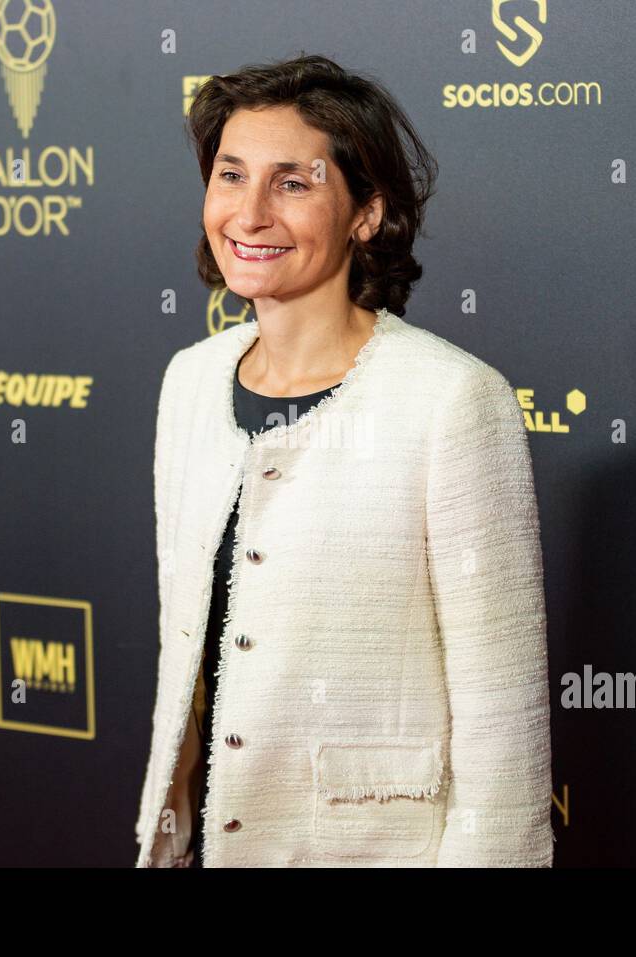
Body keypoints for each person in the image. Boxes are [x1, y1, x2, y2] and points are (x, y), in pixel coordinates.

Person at [136, 53, 554, 867]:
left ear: (366, 211)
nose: (249, 213)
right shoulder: (188, 383)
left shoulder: (451, 400)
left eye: (293, 183)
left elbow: (503, 717)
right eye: (230, 176)